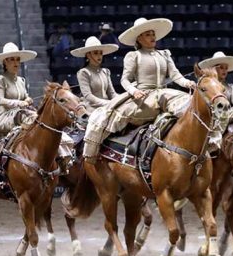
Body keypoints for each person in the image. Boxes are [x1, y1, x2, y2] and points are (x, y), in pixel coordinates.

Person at [82, 18, 196, 162]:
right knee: (105, 117)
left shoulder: (164, 54)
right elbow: (125, 80)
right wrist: (133, 91)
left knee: (191, 102)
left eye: (153, 33)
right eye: (148, 34)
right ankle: (91, 156)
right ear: (139, 39)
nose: (152, 37)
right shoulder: (134, 56)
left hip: (163, 93)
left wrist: (187, 83)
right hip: (144, 96)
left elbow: (176, 75)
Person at [0, 42, 75, 168]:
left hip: (21, 112)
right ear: (5, 62)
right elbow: (0, 100)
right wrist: (20, 102)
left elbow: (25, 96)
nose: (16, 63)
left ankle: (60, 152)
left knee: (43, 121)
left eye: (17, 60)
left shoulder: (21, 80)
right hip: (4, 115)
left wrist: (28, 99)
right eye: (11, 60)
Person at [196, 51, 233, 150]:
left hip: (227, 116)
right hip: (210, 117)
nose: (224, 71)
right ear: (213, 69)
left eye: (226, 68)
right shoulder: (206, 85)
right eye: (221, 67)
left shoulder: (230, 87)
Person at [72, 36, 118, 112]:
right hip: (92, 108)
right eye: (96, 53)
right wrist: (107, 103)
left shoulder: (105, 71)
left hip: (108, 106)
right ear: (88, 55)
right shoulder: (83, 72)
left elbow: (112, 93)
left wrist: (121, 99)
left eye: (101, 53)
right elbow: (88, 96)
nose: (99, 56)